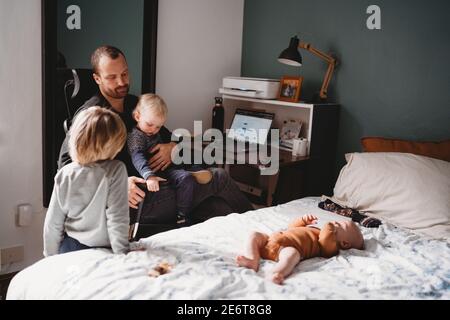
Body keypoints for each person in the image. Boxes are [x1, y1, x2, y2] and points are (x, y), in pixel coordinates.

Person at [57, 45, 253, 235]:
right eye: (112, 77)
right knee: (219, 177)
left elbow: (171, 137)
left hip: (163, 185)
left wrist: (172, 147)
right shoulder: (93, 114)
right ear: (97, 78)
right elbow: (66, 167)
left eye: (125, 74)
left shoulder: (136, 104)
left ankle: (252, 243)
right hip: (137, 200)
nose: (121, 82)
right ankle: (260, 225)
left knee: (217, 207)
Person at [44, 107, 129, 256]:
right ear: (111, 144)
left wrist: (50, 258)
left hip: (70, 247)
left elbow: (53, 224)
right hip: (102, 248)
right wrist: (122, 254)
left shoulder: (65, 173)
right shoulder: (116, 170)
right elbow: (117, 218)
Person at [128, 93, 213, 225]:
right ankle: (182, 215)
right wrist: (149, 176)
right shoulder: (136, 137)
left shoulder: (155, 130)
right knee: (186, 178)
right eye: (150, 125)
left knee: (191, 164)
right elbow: (137, 157)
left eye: (158, 126)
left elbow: (174, 139)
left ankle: (194, 171)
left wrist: (181, 142)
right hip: (156, 172)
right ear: (137, 116)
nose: (154, 130)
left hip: (168, 166)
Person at [236, 214, 364, 285]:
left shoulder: (330, 245)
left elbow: (326, 242)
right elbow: (291, 228)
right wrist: (302, 221)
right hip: (271, 240)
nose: (336, 222)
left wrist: (330, 226)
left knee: (293, 254)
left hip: (284, 249)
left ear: (345, 243)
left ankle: (277, 272)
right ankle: (252, 259)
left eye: (341, 225)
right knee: (254, 235)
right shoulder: (317, 230)